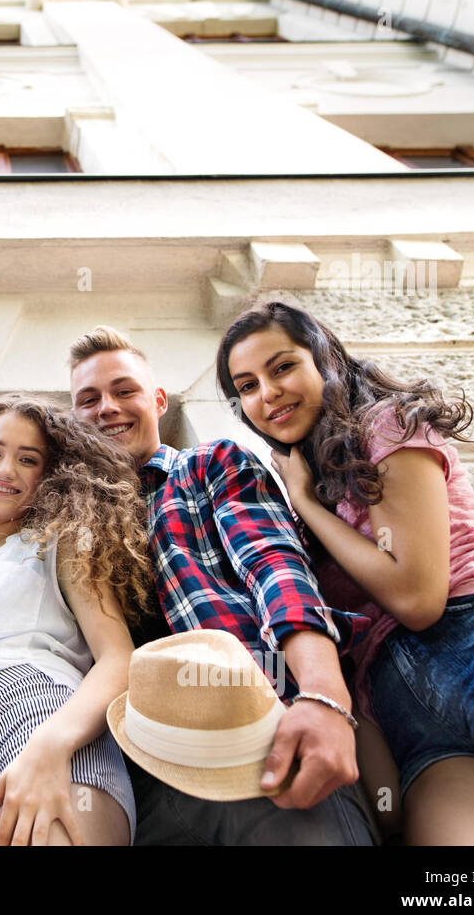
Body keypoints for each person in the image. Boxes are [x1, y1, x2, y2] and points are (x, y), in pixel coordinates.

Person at [219, 300, 474, 845]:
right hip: (403, 711)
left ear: (324, 360)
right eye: (246, 386)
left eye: (282, 367)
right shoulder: (300, 495)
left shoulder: (387, 423)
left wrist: (308, 504)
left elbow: (418, 596)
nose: (266, 393)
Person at [69, 325, 376, 845]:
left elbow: (276, 568)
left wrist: (324, 697)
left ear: (158, 401)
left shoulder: (209, 464)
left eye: (125, 391)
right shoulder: (69, 520)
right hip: (138, 779)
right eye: (89, 399)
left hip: (255, 740)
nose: (107, 408)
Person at [0, 395, 146, 846]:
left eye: (28, 459)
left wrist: (49, 746)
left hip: (39, 724)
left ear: (51, 475)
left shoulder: (57, 541)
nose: (5, 471)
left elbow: (118, 658)